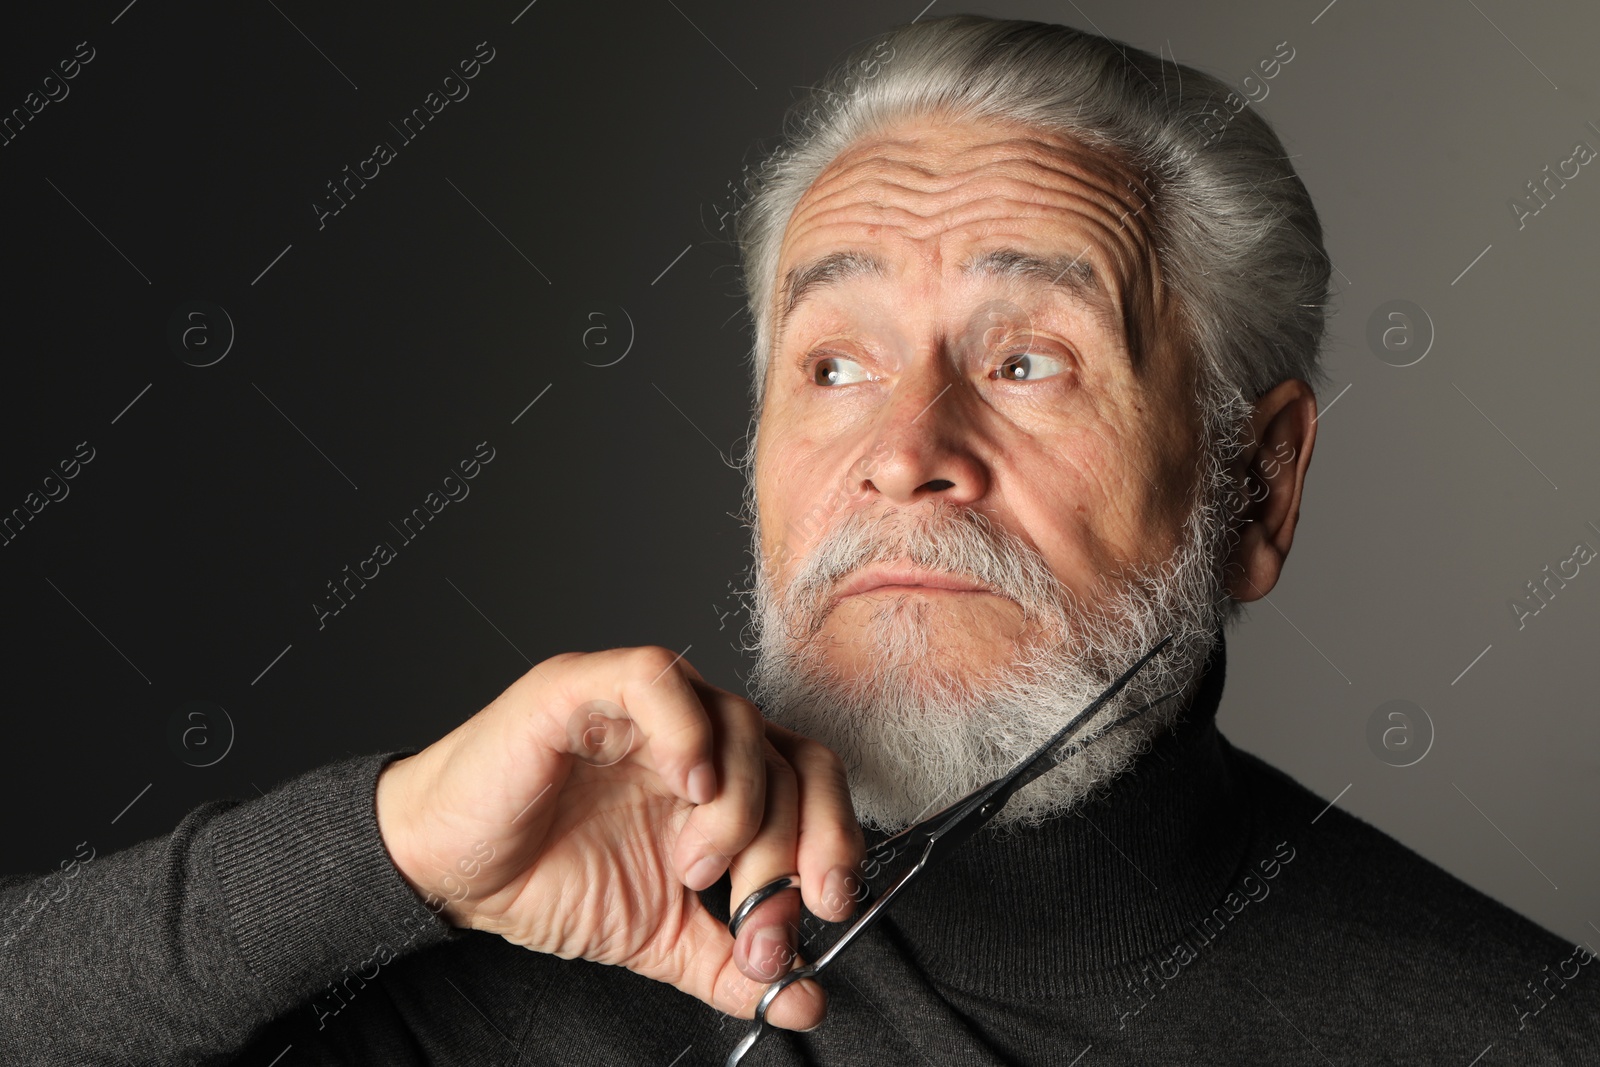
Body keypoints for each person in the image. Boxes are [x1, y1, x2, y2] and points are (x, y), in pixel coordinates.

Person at [3, 15, 1595, 1066]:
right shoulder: (518, 959)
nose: (904, 454)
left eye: (1029, 359)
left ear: (1258, 487)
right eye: (832, 364)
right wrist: (390, 848)